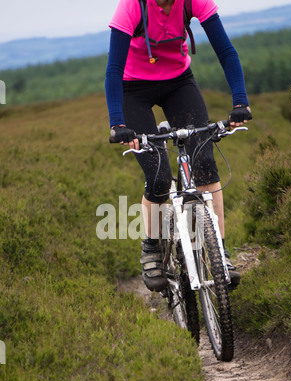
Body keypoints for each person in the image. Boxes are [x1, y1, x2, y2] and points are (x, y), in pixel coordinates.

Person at [105, 0, 252, 292]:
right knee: (158, 177)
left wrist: (240, 101)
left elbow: (226, 51)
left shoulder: (194, 2)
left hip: (179, 83)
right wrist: (118, 123)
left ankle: (219, 251)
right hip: (133, 89)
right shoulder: (132, 6)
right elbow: (113, 70)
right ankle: (151, 247)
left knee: (206, 165)